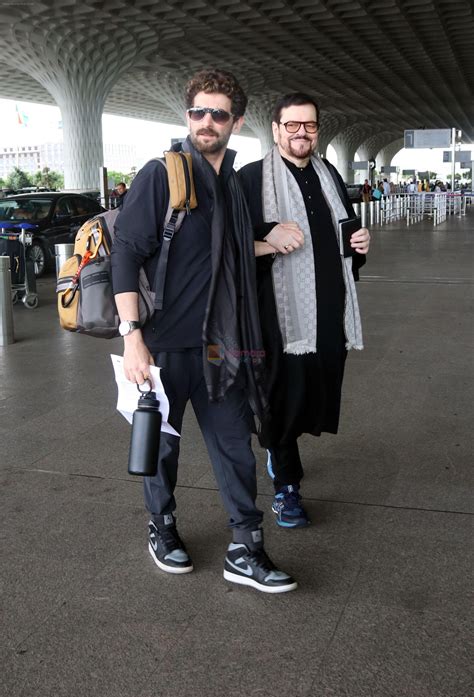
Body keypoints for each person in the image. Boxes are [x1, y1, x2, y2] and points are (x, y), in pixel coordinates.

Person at [111, 69, 297, 594]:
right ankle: (162, 526)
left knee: (235, 444)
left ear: (236, 121)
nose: (207, 122)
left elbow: (225, 252)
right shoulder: (161, 174)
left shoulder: (231, 184)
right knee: (162, 448)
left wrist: (268, 240)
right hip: (163, 344)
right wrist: (132, 338)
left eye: (219, 114)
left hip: (221, 343)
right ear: (187, 116)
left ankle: (246, 545)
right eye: (199, 112)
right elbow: (126, 256)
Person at [238, 92, 370, 528]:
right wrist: (267, 237)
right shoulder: (250, 179)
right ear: (275, 129)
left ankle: (285, 451)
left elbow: (346, 235)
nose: (301, 133)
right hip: (276, 315)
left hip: (329, 312)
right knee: (280, 397)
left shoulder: (329, 174)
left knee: (317, 386)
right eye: (291, 125)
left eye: (309, 125)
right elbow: (228, 246)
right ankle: (286, 484)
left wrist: (360, 247)